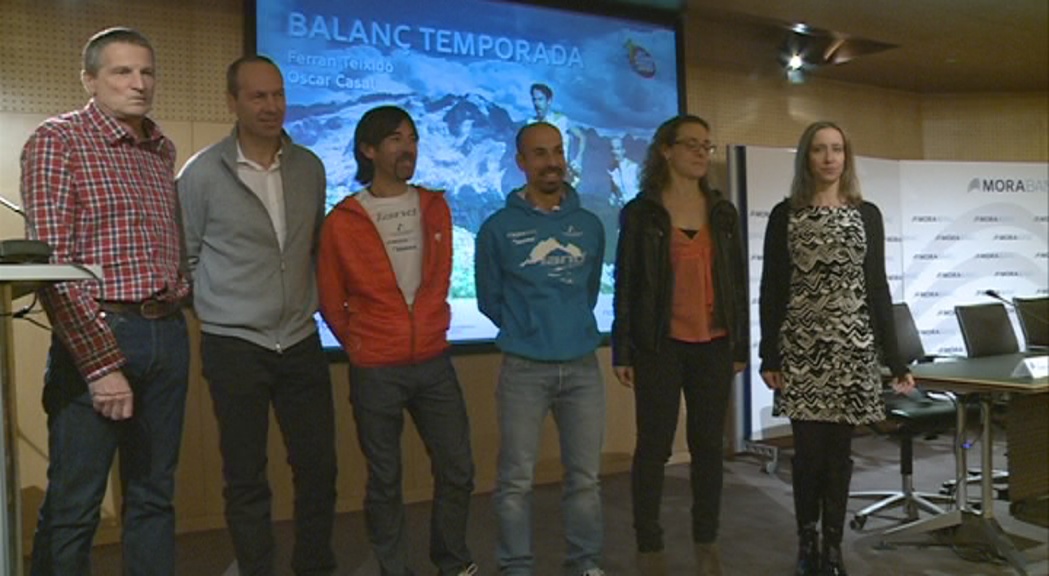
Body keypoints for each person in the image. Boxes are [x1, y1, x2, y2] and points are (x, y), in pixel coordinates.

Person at [20, 27, 189, 576]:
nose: (138, 84)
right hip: (98, 333)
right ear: (90, 79)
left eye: (147, 72)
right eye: (122, 72)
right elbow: (56, 267)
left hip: (167, 332)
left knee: (153, 497)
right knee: (76, 505)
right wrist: (100, 367)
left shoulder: (161, 148)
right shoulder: (57, 140)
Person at [177, 55, 337, 576]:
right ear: (233, 102)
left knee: (318, 467)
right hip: (234, 343)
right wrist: (218, 307)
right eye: (258, 96)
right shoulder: (201, 173)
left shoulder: (310, 166)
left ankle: (312, 565)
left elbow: (312, 246)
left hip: (298, 338)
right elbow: (188, 255)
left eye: (278, 94)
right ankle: (255, 567)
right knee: (245, 473)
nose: (272, 106)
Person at [317, 105, 477, 576]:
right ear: (369, 150)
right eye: (394, 139)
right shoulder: (344, 219)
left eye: (411, 137)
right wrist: (366, 344)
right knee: (385, 479)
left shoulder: (434, 205)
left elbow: (442, 276)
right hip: (376, 369)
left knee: (458, 469)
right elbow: (330, 297)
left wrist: (428, 325)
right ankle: (394, 568)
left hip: (434, 360)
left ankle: (452, 560)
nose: (407, 147)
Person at [758, 121, 914, 576]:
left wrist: (895, 357)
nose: (829, 158)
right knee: (808, 454)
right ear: (805, 157)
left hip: (853, 350)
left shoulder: (868, 214)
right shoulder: (784, 214)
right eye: (819, 150)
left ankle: (833, 545)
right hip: (802, 350)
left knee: (839, 456)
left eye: (837, 150)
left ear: (847, 157)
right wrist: (771, 354)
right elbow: (772, 289)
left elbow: (877, 289)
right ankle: (807, 541)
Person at [611, 115, 748, 576]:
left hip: (714, 343)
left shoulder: (722, 212)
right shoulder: (642, 212)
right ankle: (648, 541)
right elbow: (627, 284)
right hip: (660, 344)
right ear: (665, 150)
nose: (700, 153)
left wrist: (739, 344)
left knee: (709, 445)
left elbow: (736, 282)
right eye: (690, 144)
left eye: (706, 146)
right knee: (654, 446)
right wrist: (623, 349)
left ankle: (706, 538)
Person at [475, 122, 607, 576]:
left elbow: (588, 292)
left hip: (584, 368)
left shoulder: (589, 225)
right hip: (524, 370)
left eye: (556, 152)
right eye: (539, 154)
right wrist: (529, 329)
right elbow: (489, 299)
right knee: (515, 482)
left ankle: (585, 564)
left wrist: (565, 326)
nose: (551, 161)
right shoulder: (497, 228)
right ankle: (516, 567)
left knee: (585, 480)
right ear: (522, 163)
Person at [528, 83, 586, 185]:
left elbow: (582, 137)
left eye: (540, 99)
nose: (536, 103)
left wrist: (579, 158)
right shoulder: (530, 123)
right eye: (534, 99)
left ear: (549, 101)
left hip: (562, 174)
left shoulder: (561, 120)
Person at [607, 136, 640, 207]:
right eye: (612, 148)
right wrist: (612, 198)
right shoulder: (611, 170)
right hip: (623, 208)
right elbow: (614, 188)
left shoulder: (634, 168)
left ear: (624, 150)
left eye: (618, 149)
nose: (614, 152)